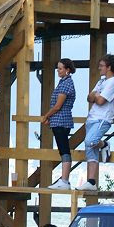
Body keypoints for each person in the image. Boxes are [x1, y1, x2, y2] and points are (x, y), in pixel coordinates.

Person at [78, 54, 114, 191]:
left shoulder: (113, 82)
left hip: (102, 118)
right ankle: (91, 181)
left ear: (109, 67)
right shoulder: (101, 81)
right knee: (90, 149)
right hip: (92, 117)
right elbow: (89, 97)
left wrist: (96, 96)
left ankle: (104, 144)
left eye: (102, 66)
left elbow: (101, 100)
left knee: (90, 141)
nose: (99, 68)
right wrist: (96, 96)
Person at [42, 58, 77, 189]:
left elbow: (58, 106)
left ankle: (64, 180)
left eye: (61, 68)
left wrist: (46, 116)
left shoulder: (66, 84)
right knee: (63, 150)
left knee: (64, 150)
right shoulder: (64, 82)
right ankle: (64, 179)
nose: (58, 70)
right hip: (59, 120)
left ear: (67, 70)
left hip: (61, 120)